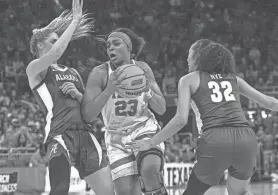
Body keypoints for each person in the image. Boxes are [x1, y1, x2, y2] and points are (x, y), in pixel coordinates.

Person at [127, 39, 278, 195]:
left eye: (190, 57)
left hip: (216, 138)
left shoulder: (189, 79)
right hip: (246, 138)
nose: (187, 61)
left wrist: (151, 142)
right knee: (238, 192)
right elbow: (271, 103)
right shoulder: (233, 78)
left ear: (199, 57)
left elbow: (180, 120)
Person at [26, 0, 115, 194]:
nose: (57, 43)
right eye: (53, 40)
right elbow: (57, 51)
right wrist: (74, 21)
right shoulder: (35, 68)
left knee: (108, 192)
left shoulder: (72, 72)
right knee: (60, 189)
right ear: (40, 45)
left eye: (58, 39)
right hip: (60, 135)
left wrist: (77, 94)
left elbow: (88, 109)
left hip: (85, 135)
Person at [81, 28, 168, 195]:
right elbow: (87, 115)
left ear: (128, 48)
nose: (110, 48)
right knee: (126, 192)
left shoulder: (143, 69)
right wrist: (109, 90)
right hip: (116, 139)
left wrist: (147, 90)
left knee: (150, 170)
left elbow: (162, 108)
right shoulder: (100, 73)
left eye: (116, 43)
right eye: (108, 46)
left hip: (144, 129)